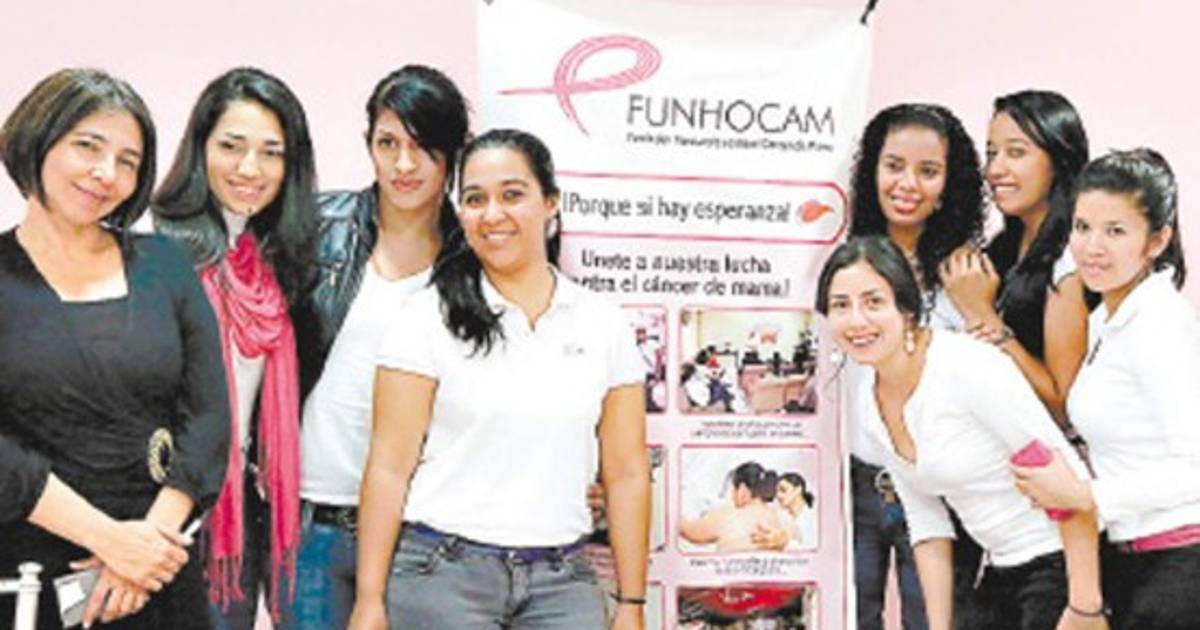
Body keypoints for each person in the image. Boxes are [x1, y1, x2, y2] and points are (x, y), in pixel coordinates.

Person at [348, 129, 650, 630]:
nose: (492, 215)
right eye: (474, 199)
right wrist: (369, 600)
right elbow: (388, 467)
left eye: (512, 195)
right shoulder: (424, 318)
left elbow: (627, 473)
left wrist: (632, 603)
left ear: (550, 203)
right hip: (442, 576)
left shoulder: (603, 323)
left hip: (563, 582)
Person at [0, 68, 229, 628]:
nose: (106, 173)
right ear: (38, 138)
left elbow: (207, 419)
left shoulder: (166, 264)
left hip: (160, 566)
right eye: (88, 146)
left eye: (128, 161)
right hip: (33, 574)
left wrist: (145, 549)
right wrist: (109, 541)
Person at [816, 236, 1105, 630]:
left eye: (874, 302)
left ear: (906, 308)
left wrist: (1086, 607)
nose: (857, 321)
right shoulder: (869, 402)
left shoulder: (965, 367)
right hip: (1002, 567)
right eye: (840, 305)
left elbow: (1067, 478)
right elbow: (926, 521)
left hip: (1066, 563)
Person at [286, 65, 469, 629]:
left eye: (422, 147)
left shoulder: (474, 260)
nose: (403, 165)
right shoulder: (319, 227)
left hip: (424, 533)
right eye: (388, 144)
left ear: (452, 152)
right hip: (313, 521)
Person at [153, 67, 316, 627]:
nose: (250, 168)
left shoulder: (268, 261)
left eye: (271, 153)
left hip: (241, 508)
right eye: (232, 146)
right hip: (164, 509)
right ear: (200, 149)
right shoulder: (156, 251)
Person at [1012, 149, 1197, 629]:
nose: (1092, 247)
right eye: (1082, 227)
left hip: (1181, 566)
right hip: (1136, 563)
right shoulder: (1107, 320)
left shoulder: (1157, 323)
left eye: (1115, 231)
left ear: (1157, 240)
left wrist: (1087, 495)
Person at [845, 103, 985, 630]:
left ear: (948, 185)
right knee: (849, 615)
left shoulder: (964, 272)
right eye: (894, 166)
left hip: (938, 487)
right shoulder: (842, 259)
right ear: (872, 171)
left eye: (928, 171)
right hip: (853, 484)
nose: (907, 184)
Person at [941, 90, 1091, 424]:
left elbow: (1062, 408)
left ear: (1059, 161)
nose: (995, 169)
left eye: (1016, 152)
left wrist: (984, 317)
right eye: (991, 153)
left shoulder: (1073, 258)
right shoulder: (1005, 247)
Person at [679, 462, 787, 552]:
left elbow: (690, 531)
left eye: (733, 489)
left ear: (742, 490)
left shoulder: (728, 515)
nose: (732, 495)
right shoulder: (777, 516)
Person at [776, 472, 817, 550]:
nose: (778, 495)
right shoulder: (780, 517)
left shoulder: (812, 517)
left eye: (783, 490)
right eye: (777, 492)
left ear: (798, 490)